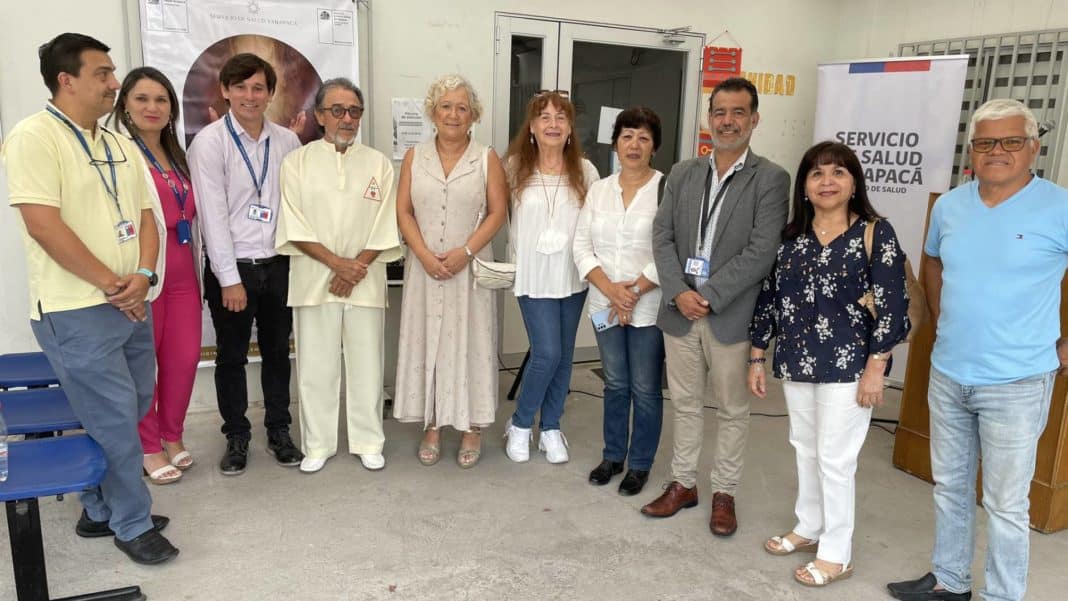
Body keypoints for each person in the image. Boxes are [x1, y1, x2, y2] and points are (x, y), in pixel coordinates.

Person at [2, 33, 177, 563]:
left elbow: (148, 217)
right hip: (76, 308)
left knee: (130, 407)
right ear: (67, 79)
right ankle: (132, 522)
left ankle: (99, 507)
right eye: (102, 73)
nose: (114, 82)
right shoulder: (34, 137)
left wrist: (143, 274)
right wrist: (111, 283)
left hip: (132, 299)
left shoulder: (119, 142)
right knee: (114, 418)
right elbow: (43, 225)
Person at [888, 100, 1068, 601]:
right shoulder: (950, 205)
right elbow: (932, 262)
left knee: (1007, 505)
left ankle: (1002, 596)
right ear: (972, 150)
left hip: (1018, 381)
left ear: (1033, 147)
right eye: (987, 142)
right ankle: (951, 581)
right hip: (949, 372)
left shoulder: (1059, 206)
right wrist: (945, 320)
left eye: (1011, 141)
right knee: (949, 488)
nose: (998, 151)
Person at [749, 141, 910, 587]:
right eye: (817, 173)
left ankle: (837, 552)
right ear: (803, 186)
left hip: (850, 367)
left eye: (838, 172)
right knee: (805, 447)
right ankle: (809, 525)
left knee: (836, 459)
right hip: (798, 360)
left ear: (854, 182)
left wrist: (876, 366)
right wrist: (758, 353)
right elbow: (771, 299)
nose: (827, 182)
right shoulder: (790, 238)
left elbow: (894, 306)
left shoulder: (876, 232)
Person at [643, 77, 789, 537]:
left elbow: (762, 251)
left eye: (738, 112)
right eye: (720, 112)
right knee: (684, 404)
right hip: (680, 312)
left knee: (731, 408)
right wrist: (678, 291)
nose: (728, 121)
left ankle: (723, 491)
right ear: (710, 118)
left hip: (729, 316)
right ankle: (683, 483)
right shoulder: (683, 173)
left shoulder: (770, 178)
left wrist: (707, 296)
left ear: (755, 119)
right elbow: (661, 236)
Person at [276, 78, 402, 473]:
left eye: (354, 111)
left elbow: (386, 224)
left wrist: (354, 267)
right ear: (319, 116)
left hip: (364, 280)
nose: (347, 119)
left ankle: (368, 440)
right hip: (314, 280)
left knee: (367, 364)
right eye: (338, 110)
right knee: (316, 366)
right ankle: (318, 444)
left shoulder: (378, 163)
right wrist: (338, 265)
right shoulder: (296, 163)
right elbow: (294, 225)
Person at [188, 53, 304, 476]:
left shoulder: (288, 143)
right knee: (231, 357)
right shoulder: (210, 143)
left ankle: (279, 430)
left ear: (271, 93)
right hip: (231, 267)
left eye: (258, 88)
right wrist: (229, 279)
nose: (249, 96)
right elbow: (212, 217)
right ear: (225, 91)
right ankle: (237, 436)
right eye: (240, 87)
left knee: (277, 353)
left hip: (278, 266)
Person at [392, 74, 507, 468]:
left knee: (472, 342)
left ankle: (473, 425)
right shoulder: (414, 156)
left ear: (473, 115)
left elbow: (497, 212)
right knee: (430, 342)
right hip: (424, 269)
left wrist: (467, 252)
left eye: (462, 107)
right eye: (446, 106)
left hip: (468, 270)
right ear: (432, 112)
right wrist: (423, 254)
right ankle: (434, 422)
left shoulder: (486, 157)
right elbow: (403, 210)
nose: (453, 114)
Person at [110, 67, 202, 485]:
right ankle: (148, 445)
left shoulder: (176, 152)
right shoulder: (118, 151)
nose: (152, 107)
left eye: (161, 100)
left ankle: (172, 435)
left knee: (182, 361)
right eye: (142, 98)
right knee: (143, 367)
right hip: (148, 273)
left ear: (172, 109)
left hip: (185, 273)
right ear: (125, 104)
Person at [502, 90, 600, 464]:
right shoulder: (512, 168)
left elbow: (596, 225)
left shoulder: (586, 171)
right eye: (545, 117)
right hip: (532, 274)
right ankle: (522, 422)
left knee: (564, 356)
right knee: (547, 352)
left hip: (573, 275)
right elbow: (491, 213)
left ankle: (552, 427)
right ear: (532, 126)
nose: (553, 124)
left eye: (561, 117)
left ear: (571, 127)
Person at [572, 107, 665, 496]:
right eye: (627, 136)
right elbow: (581, 245)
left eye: (643, 137)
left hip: (648, 305)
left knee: (644, 387)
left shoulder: (666, 189)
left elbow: (669, 250)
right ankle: (613, 456)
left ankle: (640, 464)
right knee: (615, 383)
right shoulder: (599, 189)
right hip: (604, 304)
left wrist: (635, 291)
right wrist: (612, 291)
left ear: (654, 147)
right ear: (615, 143)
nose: (634, 144)